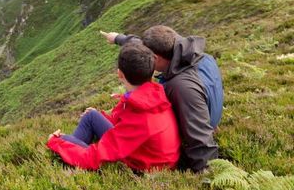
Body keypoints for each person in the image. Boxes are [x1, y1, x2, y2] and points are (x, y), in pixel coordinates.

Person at [100, 25, 222, 172]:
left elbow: (201, 140)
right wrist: (119, 38)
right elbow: (143, 47)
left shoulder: (181, 88)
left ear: (155, 58)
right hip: (206, 115)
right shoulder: (200, 56)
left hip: (180, 142)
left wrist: (209, 180)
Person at [46, 42, 180, 171]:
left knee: (63, 140)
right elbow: (127, 124)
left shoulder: (141, 117)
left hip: (141, 167)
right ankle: (74, 149)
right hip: (146, 154)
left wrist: (56, 142)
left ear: (119, 74)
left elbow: (93, 158)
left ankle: (72, 154)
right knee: (91, 116)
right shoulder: (153, 94)